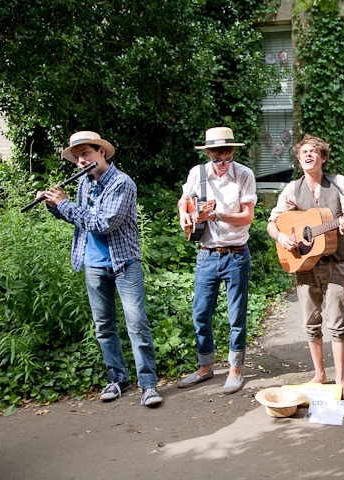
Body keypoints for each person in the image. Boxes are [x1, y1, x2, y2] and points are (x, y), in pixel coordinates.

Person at [41, 131, 161, 407]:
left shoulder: (122, 183)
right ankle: (118, 378)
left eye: (86, 154)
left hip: (124, 263)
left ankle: (148, 384)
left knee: (136, 325)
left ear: (101, 153)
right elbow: (80, 220)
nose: (81, 161)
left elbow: (105, 222)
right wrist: (54, 206)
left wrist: (65, 204)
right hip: (93, 263)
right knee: (104, 326)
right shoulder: (85, 182)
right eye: (77, 157)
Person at [267, 134, 344, 400]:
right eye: (303, 152)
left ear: (323, 158)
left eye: (313, 152)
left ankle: (340, 381)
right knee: (311, 322)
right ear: (298, 159)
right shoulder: (292, 190)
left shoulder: (339, 184)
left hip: (334, 262)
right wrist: (281, 236)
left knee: (338, 322)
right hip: (305, 263)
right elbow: (273, 222)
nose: (308, 155)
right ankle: (320, 375)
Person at [176, 127, 257, 394]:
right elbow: (184, 200)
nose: (222, 165)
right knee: (200, 313)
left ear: (233, 153)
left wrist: (218, 216)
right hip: (206, 254)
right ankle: (205, 367)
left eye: (227, 159)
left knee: (236, 316)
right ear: (208, 154)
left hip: (236, 254)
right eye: (217, 159)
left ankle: (235, 370)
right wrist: (184, 215)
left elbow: (247, 217)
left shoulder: (244, 174)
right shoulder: (196, 174)